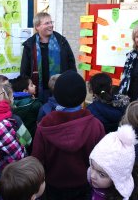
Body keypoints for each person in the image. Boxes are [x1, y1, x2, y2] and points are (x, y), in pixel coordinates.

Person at [32, 70, 105, 200]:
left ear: (57, 95)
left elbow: (37, 160)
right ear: (83, 96)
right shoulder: (95, 125)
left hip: (53, 186)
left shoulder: (45, 126)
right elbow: (102, 159)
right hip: (85, 184)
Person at [88, 124, 138, 199]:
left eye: (102, 174)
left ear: (117, 179)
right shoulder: (100, 183)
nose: (92, 175)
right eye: (92, 166)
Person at [20, 12, 77, 103]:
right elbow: (24, 70)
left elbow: (71, 64)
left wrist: (72, 83)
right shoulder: (30, 45)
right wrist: (27, 87)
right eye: (47, 23)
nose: (51, 25)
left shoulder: (62, 42)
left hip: (60, 88)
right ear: (37, 27)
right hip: (38, 91)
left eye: (51, 22)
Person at [11, 75, 42, 144]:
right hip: (33, 137)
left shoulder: (10, 103)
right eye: (31, 85)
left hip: (19, 139)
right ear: (25, 91)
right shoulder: (35, 104)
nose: (35, 86)